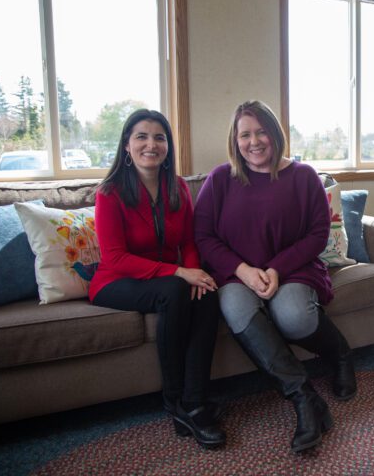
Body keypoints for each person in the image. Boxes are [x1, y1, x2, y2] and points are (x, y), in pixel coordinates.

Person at [194, 100, 357, 453]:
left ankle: (341, 355)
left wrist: (275, 269)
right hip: (237, 274)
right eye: (245, 134)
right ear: (235, 140)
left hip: (293, 268)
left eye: (261, 131)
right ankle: (304, 398)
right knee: (235, 308)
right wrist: (242, 270)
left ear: (275, 133)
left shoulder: (303, 177)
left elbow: (317, 234)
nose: (254, 141)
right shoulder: (221, 178)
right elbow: (203, 236)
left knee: (294, 317)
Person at [89, 109, 226, 448]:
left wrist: (195, 274)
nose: (151, 144)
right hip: (115, 282)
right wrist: (180, 272)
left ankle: (195, 402)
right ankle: (173, 399)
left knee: (207, 291)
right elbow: (115, 258)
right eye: (142, 136)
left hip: (164, 280)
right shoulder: (110, 192)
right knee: (174, 290)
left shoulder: (177, 187)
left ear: (168, 146)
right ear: (126, 145)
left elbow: (190, 243)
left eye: (159, 137)